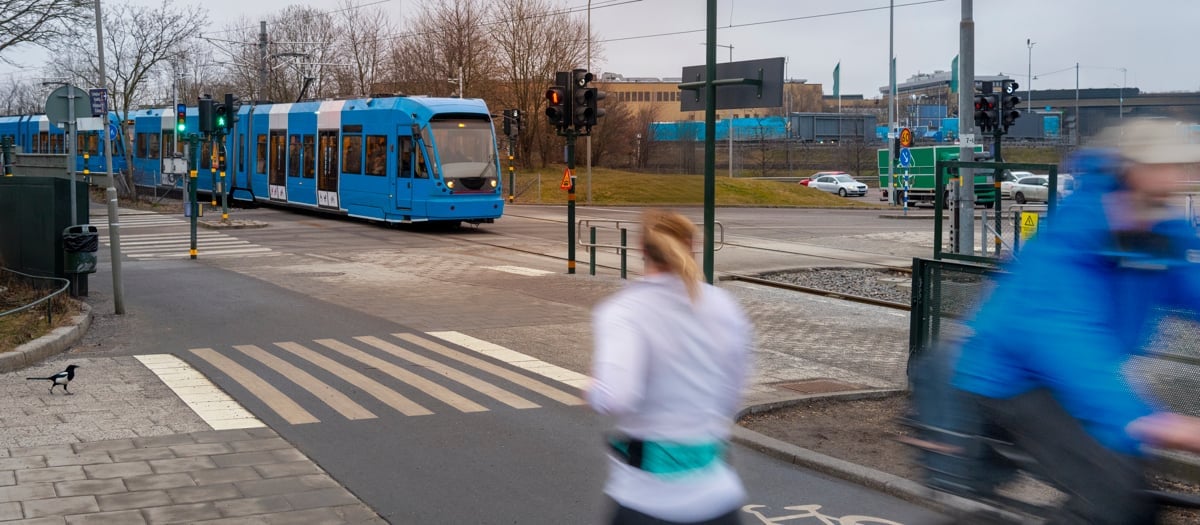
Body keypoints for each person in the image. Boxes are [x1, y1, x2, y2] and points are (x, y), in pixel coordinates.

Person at [946, 118, 1200, 524]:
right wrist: (1154, 421)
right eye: (1165, 166)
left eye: (1181, 167)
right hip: (1014, 379)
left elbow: (1191, 284)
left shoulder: (1159, 225)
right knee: (1110, 494)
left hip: (1075, 378)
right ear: (1131, 171)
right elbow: (1069, 342)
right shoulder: (1073, 237)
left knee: (1136, 493)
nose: (1178, 178)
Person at [587, 209, 753, 525]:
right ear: (692, 245)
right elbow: (730, 396)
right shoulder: (723, 306)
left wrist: (594, 390)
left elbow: (616, 397)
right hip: (718, 498)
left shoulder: (625, 311)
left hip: (647, 500)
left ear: (641, 248)